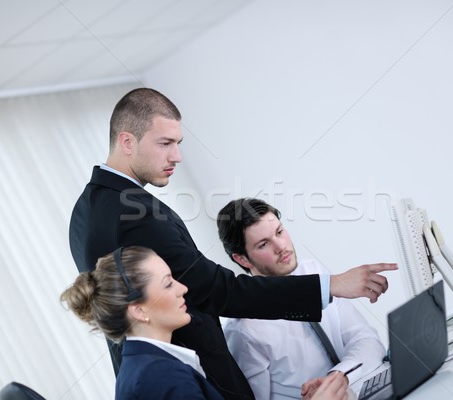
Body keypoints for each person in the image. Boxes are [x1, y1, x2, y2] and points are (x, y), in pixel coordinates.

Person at [68, 87, 397, 399]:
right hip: (191, 377)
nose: (177, 156)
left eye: (178, 143)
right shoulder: (132, 212)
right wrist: (331, 285)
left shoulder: (87, 210)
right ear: (127, 141)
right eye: (166, 143)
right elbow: (214, 289)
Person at [217, 198, 387, 400]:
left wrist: (339, 377)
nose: (280, 246)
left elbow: (367, 340)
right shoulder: (244, 330)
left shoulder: (313, 271)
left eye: (279, 232)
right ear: (242, 259)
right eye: (264, 244)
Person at [60, 246, 224, 399]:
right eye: (168, 284)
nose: (182, 288)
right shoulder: (165, 376)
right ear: (139, 310)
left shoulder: (137, 370)